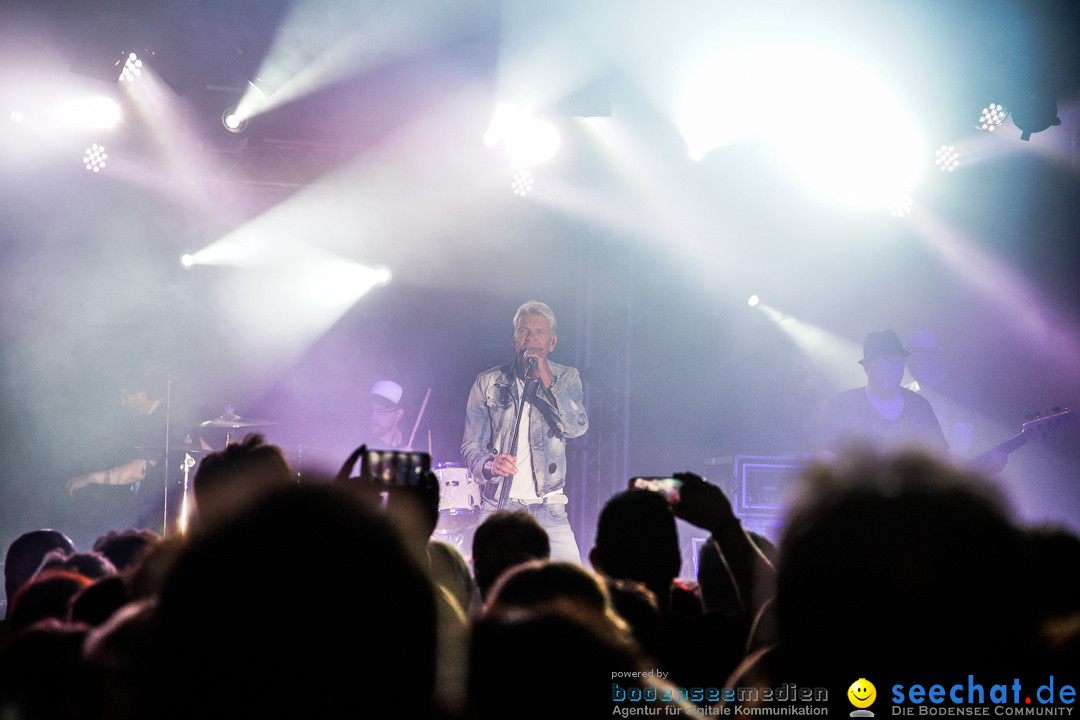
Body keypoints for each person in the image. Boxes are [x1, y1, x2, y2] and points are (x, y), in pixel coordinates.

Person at [461, 301, 589, 564]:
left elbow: (576, 428)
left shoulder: (567, 378)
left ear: (552, 342)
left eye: (540, 332)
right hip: (499, 504)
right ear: (513, 339)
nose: (531, 339)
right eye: (524, 331)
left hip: (549, 507)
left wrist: (546, 377)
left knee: (573, 587)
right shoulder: (488, 382)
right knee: (480, 583)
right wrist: (489, 465)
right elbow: (471, 446)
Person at [818, 329, 947, 457]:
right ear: (866, 367)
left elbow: (939, 455)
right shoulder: (843, 405)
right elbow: (826, 455)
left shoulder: (919, 405)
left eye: (897, 361)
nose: (891, 368)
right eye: (882, 361)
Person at [361, 380, 411, 450]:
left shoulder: (412, 441)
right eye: (371, 409)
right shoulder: (360, 444)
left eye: (380, 411)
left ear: (398, 414)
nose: (372, 416)